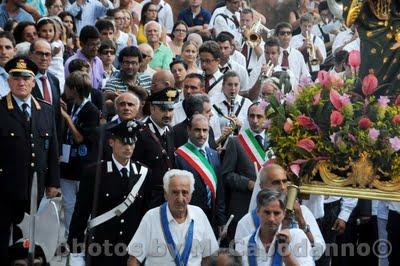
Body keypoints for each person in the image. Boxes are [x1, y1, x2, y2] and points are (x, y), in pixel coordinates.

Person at [0, 56, 60, 264]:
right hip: (5, 187)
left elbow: (52, 147)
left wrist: (53, 182)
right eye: (16, 77)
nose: (21, 82)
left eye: (26, 78)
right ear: (9, 81)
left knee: (28, 239)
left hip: (36, 187)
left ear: (34, 81)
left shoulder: (45, 109)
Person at [68, 120, 152, 265]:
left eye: (131, 143)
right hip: (100, 247)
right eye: (123, 143)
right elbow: (81, 213)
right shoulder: (94, 173)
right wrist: (76, 251)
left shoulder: (144, 173)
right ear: (111, 142)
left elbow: (146, 212)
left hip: (132, 247)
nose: (128, 147)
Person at [127, 169, 219, 265]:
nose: (180, 199)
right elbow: (134, 259)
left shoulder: (199, 215)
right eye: (175, 192)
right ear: (166, 194)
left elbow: (208, 257)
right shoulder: (151, 217)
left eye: (185, 193)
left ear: (191, 195)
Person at [239, 164, 326, 261]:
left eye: (285, 181)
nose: (283, 187)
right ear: (262, 186)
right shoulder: (247, 222)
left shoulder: (303, 212)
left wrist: (301, 220)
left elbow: (318, 252)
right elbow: (242, 259)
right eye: (276, 182)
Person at [221, 102, 271, 242]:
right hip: (243, 207)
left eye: (259, 116)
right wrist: (248, 183)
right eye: (251, 116)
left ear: (266, 118)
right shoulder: (235, 142)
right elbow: (227, 175)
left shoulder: (276, 141)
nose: (255, 121)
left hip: (268, 207)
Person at [59, 71, 100, 237]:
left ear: (74, 89)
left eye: (67, 87)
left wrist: (67, 118)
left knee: (82, 203)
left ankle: (83, 234)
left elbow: (79, 138)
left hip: (83, 164)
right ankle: (70, 235)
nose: (64, 90)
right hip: (66, 163)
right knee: (68, 203)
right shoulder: (69, 103)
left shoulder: (91, 110)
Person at [235, 189, 315, 266]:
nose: (271, 219)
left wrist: (285, 253)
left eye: (276, 213)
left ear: (284, 214)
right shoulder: (243, 244)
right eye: (267, 212)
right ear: (258, 212)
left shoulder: (296, 236)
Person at [132, 77, 178, 207]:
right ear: (152, 109)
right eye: (163, 109)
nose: (168, 114)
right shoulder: (141, 132)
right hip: (147, 196)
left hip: (165, 195)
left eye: (170, 109)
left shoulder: (169, 131)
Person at [175, 114, 226, 229]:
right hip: (188, 217)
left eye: (205, 130)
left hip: (212, 218)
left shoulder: (214, 155)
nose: (202, 135)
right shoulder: (179, 156)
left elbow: (220, 191)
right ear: (189, 130)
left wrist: (221, 220)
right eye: (197, 130)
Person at [29, 38, 62, 144]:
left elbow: (56, 115)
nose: (44, 58)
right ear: (30, 55)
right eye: (39, 54)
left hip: (52, 141)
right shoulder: (24, 81)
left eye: (47, 54)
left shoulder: (54, 80)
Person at [211, 71, 252, 135]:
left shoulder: (247, 104)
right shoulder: (212, 102)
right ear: (223, 85)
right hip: (219, 142)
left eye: (236, 85)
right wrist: (219, 132)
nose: (233, 88)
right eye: (230, 85)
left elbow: (252, 128)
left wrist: (240, 125)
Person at [65, 25, 104, 91]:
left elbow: (100, 86)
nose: (96, 48)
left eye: (98, 44)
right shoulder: (71, 62)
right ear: (82, 44)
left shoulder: (98, 62)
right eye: (92, 44)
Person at [290, 13, 326, 79]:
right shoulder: (294, 39)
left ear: (312, 26)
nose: (307, 29)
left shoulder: (318, 40)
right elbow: (292, 57)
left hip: (315, 72)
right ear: (300, 26)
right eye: (305, 26)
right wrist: (302, 47)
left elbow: (322, 61)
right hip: (301, 74)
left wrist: (317, 50)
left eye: (309, 26)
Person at [0, 31, 16, 97]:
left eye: (7, 47)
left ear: (15, 51)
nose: (3, 52)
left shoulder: (22, 73)